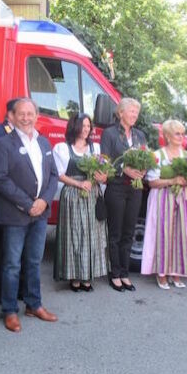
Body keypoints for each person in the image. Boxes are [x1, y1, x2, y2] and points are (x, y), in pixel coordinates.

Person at [0, 98, 59, 333]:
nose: (26, 118)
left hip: (40, 214)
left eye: (30, 114)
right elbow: (0, 178)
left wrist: (43, 202)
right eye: (22, 114)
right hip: (15, 214)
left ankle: (33, 304)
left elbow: (53, 176)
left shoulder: (44, 142)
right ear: (12, 116)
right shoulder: (3, 144)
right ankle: (9, 310)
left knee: (33, 261)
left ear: (37, 116)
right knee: (11, 264)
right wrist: (27, 204)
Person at [53, 113, 109, 291]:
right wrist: (78, 183)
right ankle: (74, 276)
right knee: (74, 236)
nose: (86, 129)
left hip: (92, 195)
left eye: (88, 126)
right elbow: (59, 174)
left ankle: (87, 276)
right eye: (83, 126)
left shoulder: (96, 149)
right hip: (72, 195)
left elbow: (103, 174)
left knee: (92, 235)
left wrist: (100, 178)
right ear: (74, 127)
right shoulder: (62, 148)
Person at [141, 119, 187, 289]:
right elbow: (151, 182)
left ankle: (177, 272)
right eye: (177, 134)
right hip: (162, 198)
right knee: (163, 234)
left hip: (184, 199)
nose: (181, 137)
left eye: (182, 133)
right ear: (167, 136)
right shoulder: (158, 156)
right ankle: (162, 272)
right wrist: (173, 180)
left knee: (181, 234)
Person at [100, 97, 147, 292]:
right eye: (131, 112)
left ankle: (125, 273)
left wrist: (143, 170)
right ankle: (115, 273)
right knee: (116, 233)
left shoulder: (139, 135)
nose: (135, 115)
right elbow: (105, 160)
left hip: (135, 189)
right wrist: (124, 170)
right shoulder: (109, 134)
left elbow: (146, 157)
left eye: (137, 112)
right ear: (121, 113)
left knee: (129, 232)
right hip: (117, 187)